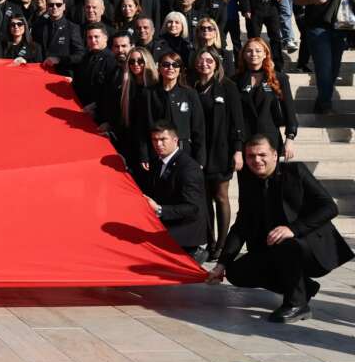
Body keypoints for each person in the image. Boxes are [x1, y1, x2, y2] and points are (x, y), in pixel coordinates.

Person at [207, 135, 354, 324]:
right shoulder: (249, 181)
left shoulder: (296, 171)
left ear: (275, 155)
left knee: (285, 242)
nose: (256, 160)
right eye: (251, 156)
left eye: (262, 155)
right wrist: (222, 264)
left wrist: (293, 229)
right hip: (272, 248)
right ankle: (304, 287)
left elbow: (329, 207)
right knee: (236, 272)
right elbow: (241, 225)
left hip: (309, 245)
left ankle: (297, 303)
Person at [193, 47, 245, 261]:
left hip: (221, 151)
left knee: (220, 196)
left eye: (209, 60)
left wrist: (238, 150)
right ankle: (210, 241)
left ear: (216, 64)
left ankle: (222, 244)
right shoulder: (193, 86)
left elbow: (237, 120)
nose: (204, 63)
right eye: (201, 60)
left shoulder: (228, 86)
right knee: (204, 199)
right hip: (199, 151)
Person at [293, 0, 353, 114]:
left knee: (334, 69)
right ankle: (326, 105)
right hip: (317, 29)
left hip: (340, 29)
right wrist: (312, 0)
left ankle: (321, 102)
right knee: (324, 68)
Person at [144, 123, 208, 263]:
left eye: (163, 139)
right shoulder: (156, 162)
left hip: (185, 227)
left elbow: (193, 208)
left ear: (175, 140)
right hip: (166, 220)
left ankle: (194, 253)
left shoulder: (188, 168)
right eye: (155, 140)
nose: (158, 144)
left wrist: (160, 210)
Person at [234, 37, 298, 159]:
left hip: (270, 139)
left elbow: (289, 111)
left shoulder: (279, 78)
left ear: (265, 54)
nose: (254, 54)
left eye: (258, 51)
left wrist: (290, 139)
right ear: (243, 55)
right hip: (245, 141)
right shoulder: (235, 81)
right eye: (249, 51)